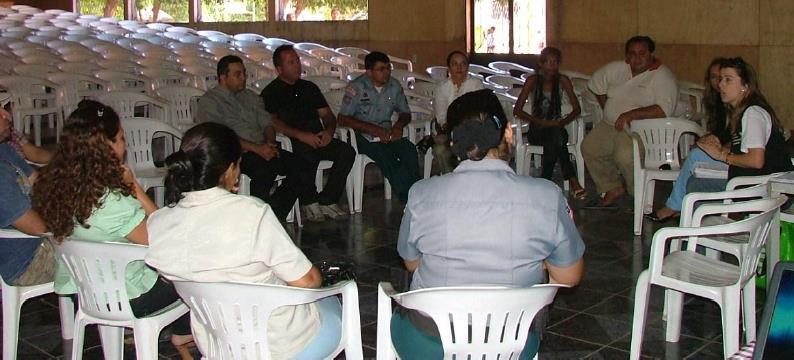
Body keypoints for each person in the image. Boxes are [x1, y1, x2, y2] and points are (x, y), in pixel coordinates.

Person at [394, 89, 585, 359]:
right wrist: (536, 260)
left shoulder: (421, 194)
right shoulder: (547, 196)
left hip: (431, 343)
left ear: (452, 143)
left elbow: (412, 263)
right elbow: (569, 276)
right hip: (511, 343)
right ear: (508, 133)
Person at [145, 122, 340, 359]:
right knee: (333, 302)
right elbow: (308, 281)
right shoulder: (251, 213)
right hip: (278, 345)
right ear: (229, 169)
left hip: (218, 344)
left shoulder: (158, 222)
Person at [31, 100, 193, 359]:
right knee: (199, 269)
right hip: (126, 297)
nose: (125, 145)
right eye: (120, 139)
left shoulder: (57, 185)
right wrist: (136, 190)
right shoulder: (110, 199)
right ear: (103, 147)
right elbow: (162, 237)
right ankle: (184, 332)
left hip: (82, 292)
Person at [649, 57, 793, 221]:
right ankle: (695, 231)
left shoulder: (753, 114)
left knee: (695, 186)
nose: (721, 85)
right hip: (756, 179)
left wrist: (722, 155)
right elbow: (743, 148)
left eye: (728, 80)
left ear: (745, 86)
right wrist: (719, 149)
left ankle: (698, 238)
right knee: (696, 171)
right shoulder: (742, 110)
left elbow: (756, 161)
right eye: (720, 79)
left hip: (768, 188)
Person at [196, 55, 317, 222]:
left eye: (244, 73)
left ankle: (272, 214)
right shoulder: (210, 102)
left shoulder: (250, 97)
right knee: (265, 170)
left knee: (302, 166)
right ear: (223, 77)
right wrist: (257, 149)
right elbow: (220, 136)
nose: (243, 78)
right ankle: (260, 217)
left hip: (262, 148)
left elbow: (267, 123)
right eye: (237, 74)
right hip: (235, 154)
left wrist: (270, 142)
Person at [582, 35, 678, 208]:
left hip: (640, 128)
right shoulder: (617, 69)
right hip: (611, 124)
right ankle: (612, 186)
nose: (637, 58)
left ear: (651, 54)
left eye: (642, 53)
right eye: (632, 54)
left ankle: (638, 194)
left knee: (625, 156)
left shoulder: (662, 76)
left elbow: (663, 110)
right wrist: (608, 108)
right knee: (590, 148)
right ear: (627, 56)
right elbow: (596, 84)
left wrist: (631, 115)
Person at [260, 45, 355, 221]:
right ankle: (309, 200)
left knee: (347, 152)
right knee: (305, 154)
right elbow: (272, 122)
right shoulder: (271, 92)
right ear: (280, 69)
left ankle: (328, 199)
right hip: (292, 140)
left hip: (317, 136)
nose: (297, 65)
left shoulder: (309, 87)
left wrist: (328, 131)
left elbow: (327, 115)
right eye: (291, 62)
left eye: (297, 60)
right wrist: (300, 135)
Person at [338, 51, 420, 202]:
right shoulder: (357, 87)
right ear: (369, 72)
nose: (386, 72)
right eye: (381, 69)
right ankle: (407, 196)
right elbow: (343, 118)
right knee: (385, 155)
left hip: (387, 131)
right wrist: (373, 129)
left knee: (408, 150)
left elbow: (405, 112)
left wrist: (398, 126)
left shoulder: (394, 85)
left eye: (388, 68)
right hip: (362, 135)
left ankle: (416, 192)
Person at [0, 92, 55, 288]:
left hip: (32, 243)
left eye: (5, 109)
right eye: (0, 112)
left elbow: (39, 183)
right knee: (98, 255)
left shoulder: (4, 150)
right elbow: (38, 228)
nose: (7, 115)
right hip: (23, 261)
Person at [514, 47, 584, 198]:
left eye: (555, 63)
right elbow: (518, 110)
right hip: (537, 129)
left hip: (557, 127)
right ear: (541, 63)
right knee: (555, 141)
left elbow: (577, 109)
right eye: (549, 62)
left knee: (555, 138)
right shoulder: (532, 81)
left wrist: (563, 121)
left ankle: (545, 182)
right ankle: (572, 180)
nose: (552, 66)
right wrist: (539, 121)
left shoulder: (563, 80)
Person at [431, 50, 484, 174]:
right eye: (455, 64)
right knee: (440, 150)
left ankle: (471, 181)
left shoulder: (476, 85)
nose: (459, 67)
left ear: (468, 67)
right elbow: (442, 116)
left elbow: (477, 112)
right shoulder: (442, 87)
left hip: (472, 131)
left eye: (463, 64)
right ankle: (451, 180)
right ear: (449, 68)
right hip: (449, 131)